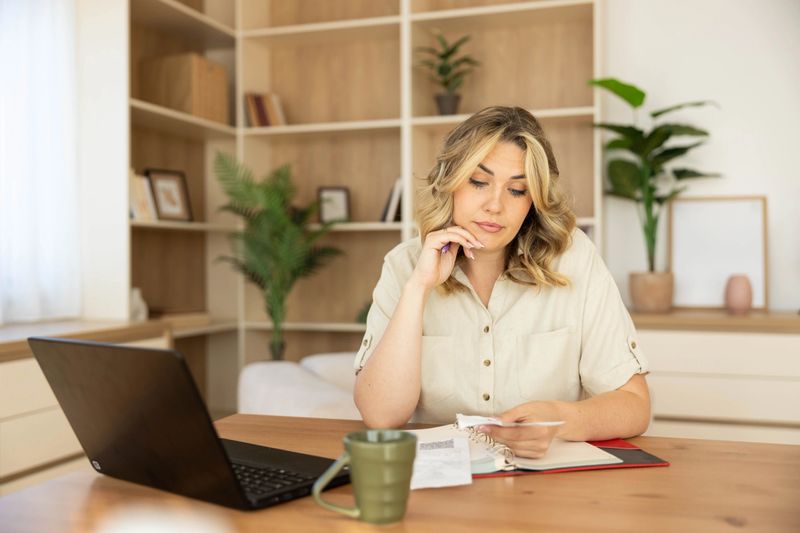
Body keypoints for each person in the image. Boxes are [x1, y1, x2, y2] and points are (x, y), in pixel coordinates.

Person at [353, 106, 650, 459]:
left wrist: (560, 418)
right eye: (479, 182)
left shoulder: (574, 261)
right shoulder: (405, 266)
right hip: (442, 490)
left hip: (551, 492)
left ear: (534, 201)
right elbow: (380, 416)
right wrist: (419, 288)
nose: (495, 205)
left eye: (517, 190)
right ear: (450, 182)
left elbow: (635, 405)